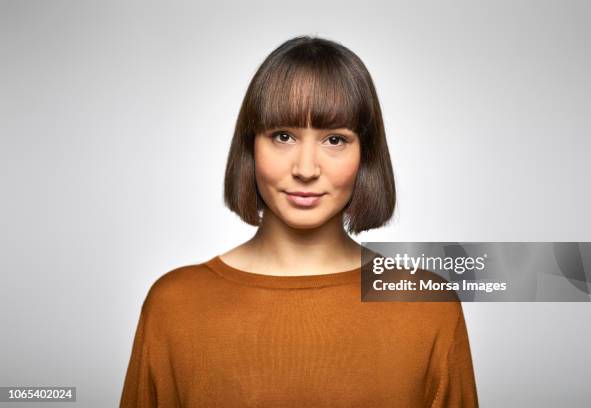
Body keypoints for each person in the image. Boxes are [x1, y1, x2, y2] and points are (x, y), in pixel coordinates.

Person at [120, 35, 479, 407]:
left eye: (335, 140)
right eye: (283, 136)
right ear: (250, 147)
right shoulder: (175, 305)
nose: (305, 169)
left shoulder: (426, 306)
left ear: (366, 157)